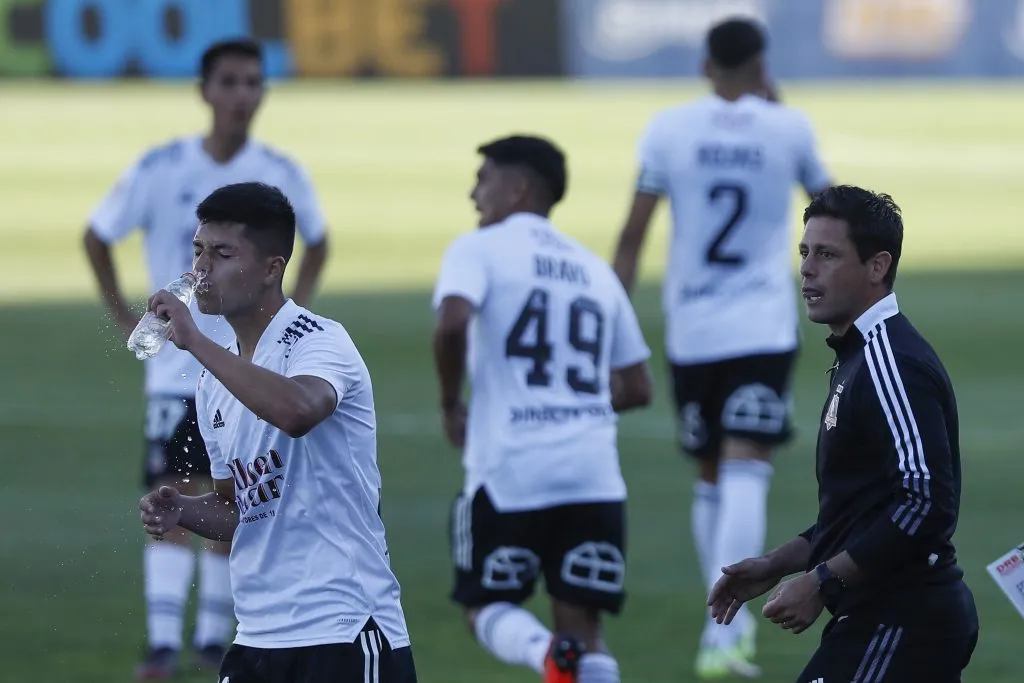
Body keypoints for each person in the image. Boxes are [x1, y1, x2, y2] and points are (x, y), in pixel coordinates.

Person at [82, 38, 329, 678]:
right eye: (230, 82)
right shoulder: (161, 166)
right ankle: (164, 641)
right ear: (205, 89)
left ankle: (216, 637)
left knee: (236, 490)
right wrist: (125, 317)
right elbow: (97, 232)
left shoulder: (282, 168)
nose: (242, 95)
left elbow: (319, 242)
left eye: (253, 82)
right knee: (173, 497)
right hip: (175, 371)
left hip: (252, 372)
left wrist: (285, 319)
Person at [610, 17, 833, 677]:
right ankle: (725, 637)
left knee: (715, 470)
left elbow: (631, 238)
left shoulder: (668, 128)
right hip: (762, 322)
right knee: (741, 469)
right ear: (762, 66)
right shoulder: (787, 128)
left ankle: (720, 637)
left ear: (706, 65)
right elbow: (835, 209)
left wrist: (613, 329)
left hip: (692, 329)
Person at [138, 182, 416, 683]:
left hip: (343, 631)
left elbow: (299, 410)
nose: (201, 269)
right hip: (257, 640)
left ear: (273, 267)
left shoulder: (319, 340)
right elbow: (239, 506)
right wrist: (186, 510)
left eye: (223, 254)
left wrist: (197, 342)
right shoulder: (214, 384)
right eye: (198, 250)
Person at [708, 185, 979, 683]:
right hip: (890, 618)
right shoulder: (856, 355)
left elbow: (926, 502)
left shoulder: (889, 361)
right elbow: (864, 511)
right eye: (805, 253)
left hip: (902, 619)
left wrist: (821, 581)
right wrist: (777, 564)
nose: (808, 269)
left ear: (877, 267)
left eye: (827, 255)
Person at [432, 135, 654, 683]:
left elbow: (453, 322)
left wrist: (449, 404)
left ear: (518, 188)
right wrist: (575, 407)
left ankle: (542, 655)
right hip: (594, 475)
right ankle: (567, 657)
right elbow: (638, 386)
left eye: (483, 179)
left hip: (511, 471)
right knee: (585, 629)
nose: (473, 193)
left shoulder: (478, 248)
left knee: (483, 608)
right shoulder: (594, 269)